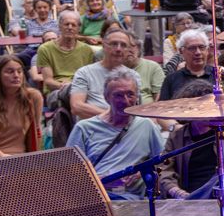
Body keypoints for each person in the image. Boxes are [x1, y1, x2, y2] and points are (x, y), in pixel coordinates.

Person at [66, 69, 164, 200]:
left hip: (132, 199)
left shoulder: (146, 126)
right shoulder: (85, 128)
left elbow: (163, 163)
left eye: (130, 94)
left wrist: (142, 173)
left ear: (137, 97)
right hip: (95, 196)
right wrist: (101, 180)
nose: (125, 100)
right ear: (106, 97)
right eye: (118, 95)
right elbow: (69, 173)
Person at [70, 28, 135, 119]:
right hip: (94, 128)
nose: (118, 49)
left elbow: (135, 109)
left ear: (128, 50)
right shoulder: (84, 73)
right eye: (114, 44)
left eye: (123, 45)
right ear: (104, 45)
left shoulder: (133, 76)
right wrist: (114, 116)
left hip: (125, 130)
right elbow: (77, 107)